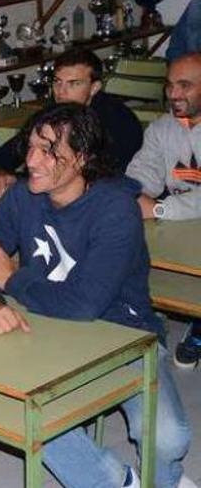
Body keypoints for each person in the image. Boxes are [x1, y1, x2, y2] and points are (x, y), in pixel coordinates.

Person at [0, 103, 192, 488]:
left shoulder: (117, 208)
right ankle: (118, 482)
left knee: (170, 438)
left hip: (124, 333)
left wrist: (13, 281)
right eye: (30, 146)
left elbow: (86, 304)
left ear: (81, 158)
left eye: (49, 151)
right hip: (45, 326)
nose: (32, 160)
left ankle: (163, 482)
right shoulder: (21, 198)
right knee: (13, 405)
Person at [0, 49, 143, 200]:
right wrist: (0, 173)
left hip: (106, 203)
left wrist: (18, 179)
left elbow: (98, 177)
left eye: (74, 84)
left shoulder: (118, 121)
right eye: (57, 82)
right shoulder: (53, 114)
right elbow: (5, 154)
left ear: (94, 88)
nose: (61, 91)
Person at [126, 53, 201, 368]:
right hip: (184, 224)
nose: (173, 94)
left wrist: (158, 208)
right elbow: (142, 172)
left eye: (185, 86)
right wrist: (132, 195)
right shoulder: (162, 128)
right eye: (170, 85)